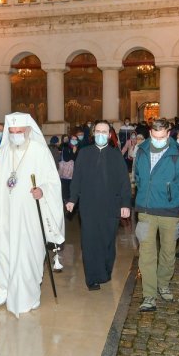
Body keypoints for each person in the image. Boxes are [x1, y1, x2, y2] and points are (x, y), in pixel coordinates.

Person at [0, 112, 65, 316]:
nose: (15, 135)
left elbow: (52, 182)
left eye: (19, 131)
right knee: (3, 252)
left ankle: (31, 293)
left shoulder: (40, 151)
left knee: (28, 254)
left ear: (28, 131)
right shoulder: (3, 151)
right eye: (12, 131)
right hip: (6, 213)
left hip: (29, 214)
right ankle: (5, 288)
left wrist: (42, 190)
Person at [132, 118, 179, 312]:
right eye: (155, 136)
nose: (158, 140)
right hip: (146, 211)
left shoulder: (178, 155)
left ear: (168, 134)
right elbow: (137, 176)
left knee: (168, 252)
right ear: (150, 133)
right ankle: (149, 295)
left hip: (171, 212)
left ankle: (163, 283)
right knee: (146, 254)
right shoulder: (141, 151)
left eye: (162, 137)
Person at [66, 121, 132, 289]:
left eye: (104, 132)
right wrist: (72, 199)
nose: (101, 134)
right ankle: (92, 278)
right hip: (89, 206)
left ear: (109, 135)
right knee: (90, 242)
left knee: (107, 241)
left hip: (111, 206)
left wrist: (125, 203)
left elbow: (124, 182)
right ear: (93, 133)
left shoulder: (116, 155)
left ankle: (105, 271)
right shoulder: (84, 153)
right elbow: (77, 178)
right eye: (98, 131)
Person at [58, 132, 80, 213]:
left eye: (75, 139)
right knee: (66, 189)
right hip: (66, 173)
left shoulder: (76, 147)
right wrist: (73, 153)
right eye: (72, 139)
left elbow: (76, 159)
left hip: (73, 172)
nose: (74, 140)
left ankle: (71, 203)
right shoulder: (66, 147)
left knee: (72, 188)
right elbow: (67, 159)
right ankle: (66, 204)